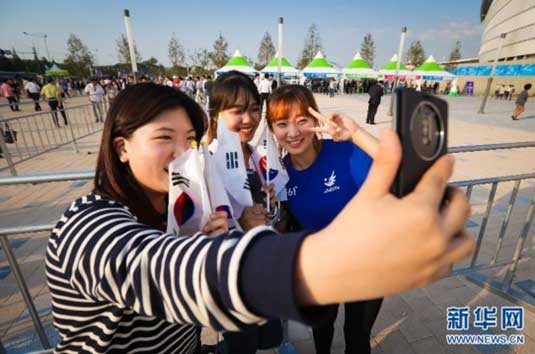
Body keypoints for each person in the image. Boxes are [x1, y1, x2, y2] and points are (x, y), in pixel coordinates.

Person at [46, 81, 475, 353]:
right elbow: (166, 272)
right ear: (122, 148)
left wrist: (219, 237)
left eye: (189, 139)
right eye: (164, 138)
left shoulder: (177, 215)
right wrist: (326, 263)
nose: (182, 152)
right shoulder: (86, 225)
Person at [267, 85, 381, 354]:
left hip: (368, 265)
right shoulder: (279, 175)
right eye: (282, 124)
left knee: (356, 335)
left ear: (315, 120)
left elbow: (402, 167)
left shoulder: (345, 151)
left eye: (302, 121)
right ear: (272, 130)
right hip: (321, 270)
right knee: (322, 330)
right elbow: (283, 227)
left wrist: (356, 134)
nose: (293, 133)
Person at [207, 70, 283, 354]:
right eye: (238, 111)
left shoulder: (258, 154)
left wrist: (272, 207)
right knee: (242, 344)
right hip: (231, 276)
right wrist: (239, 220)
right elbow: (195, 229)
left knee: (268, 337)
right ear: (217, 113)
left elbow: (271, 215)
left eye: (254, 109)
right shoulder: (207, 162)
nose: (249, 119)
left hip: (264, 266)